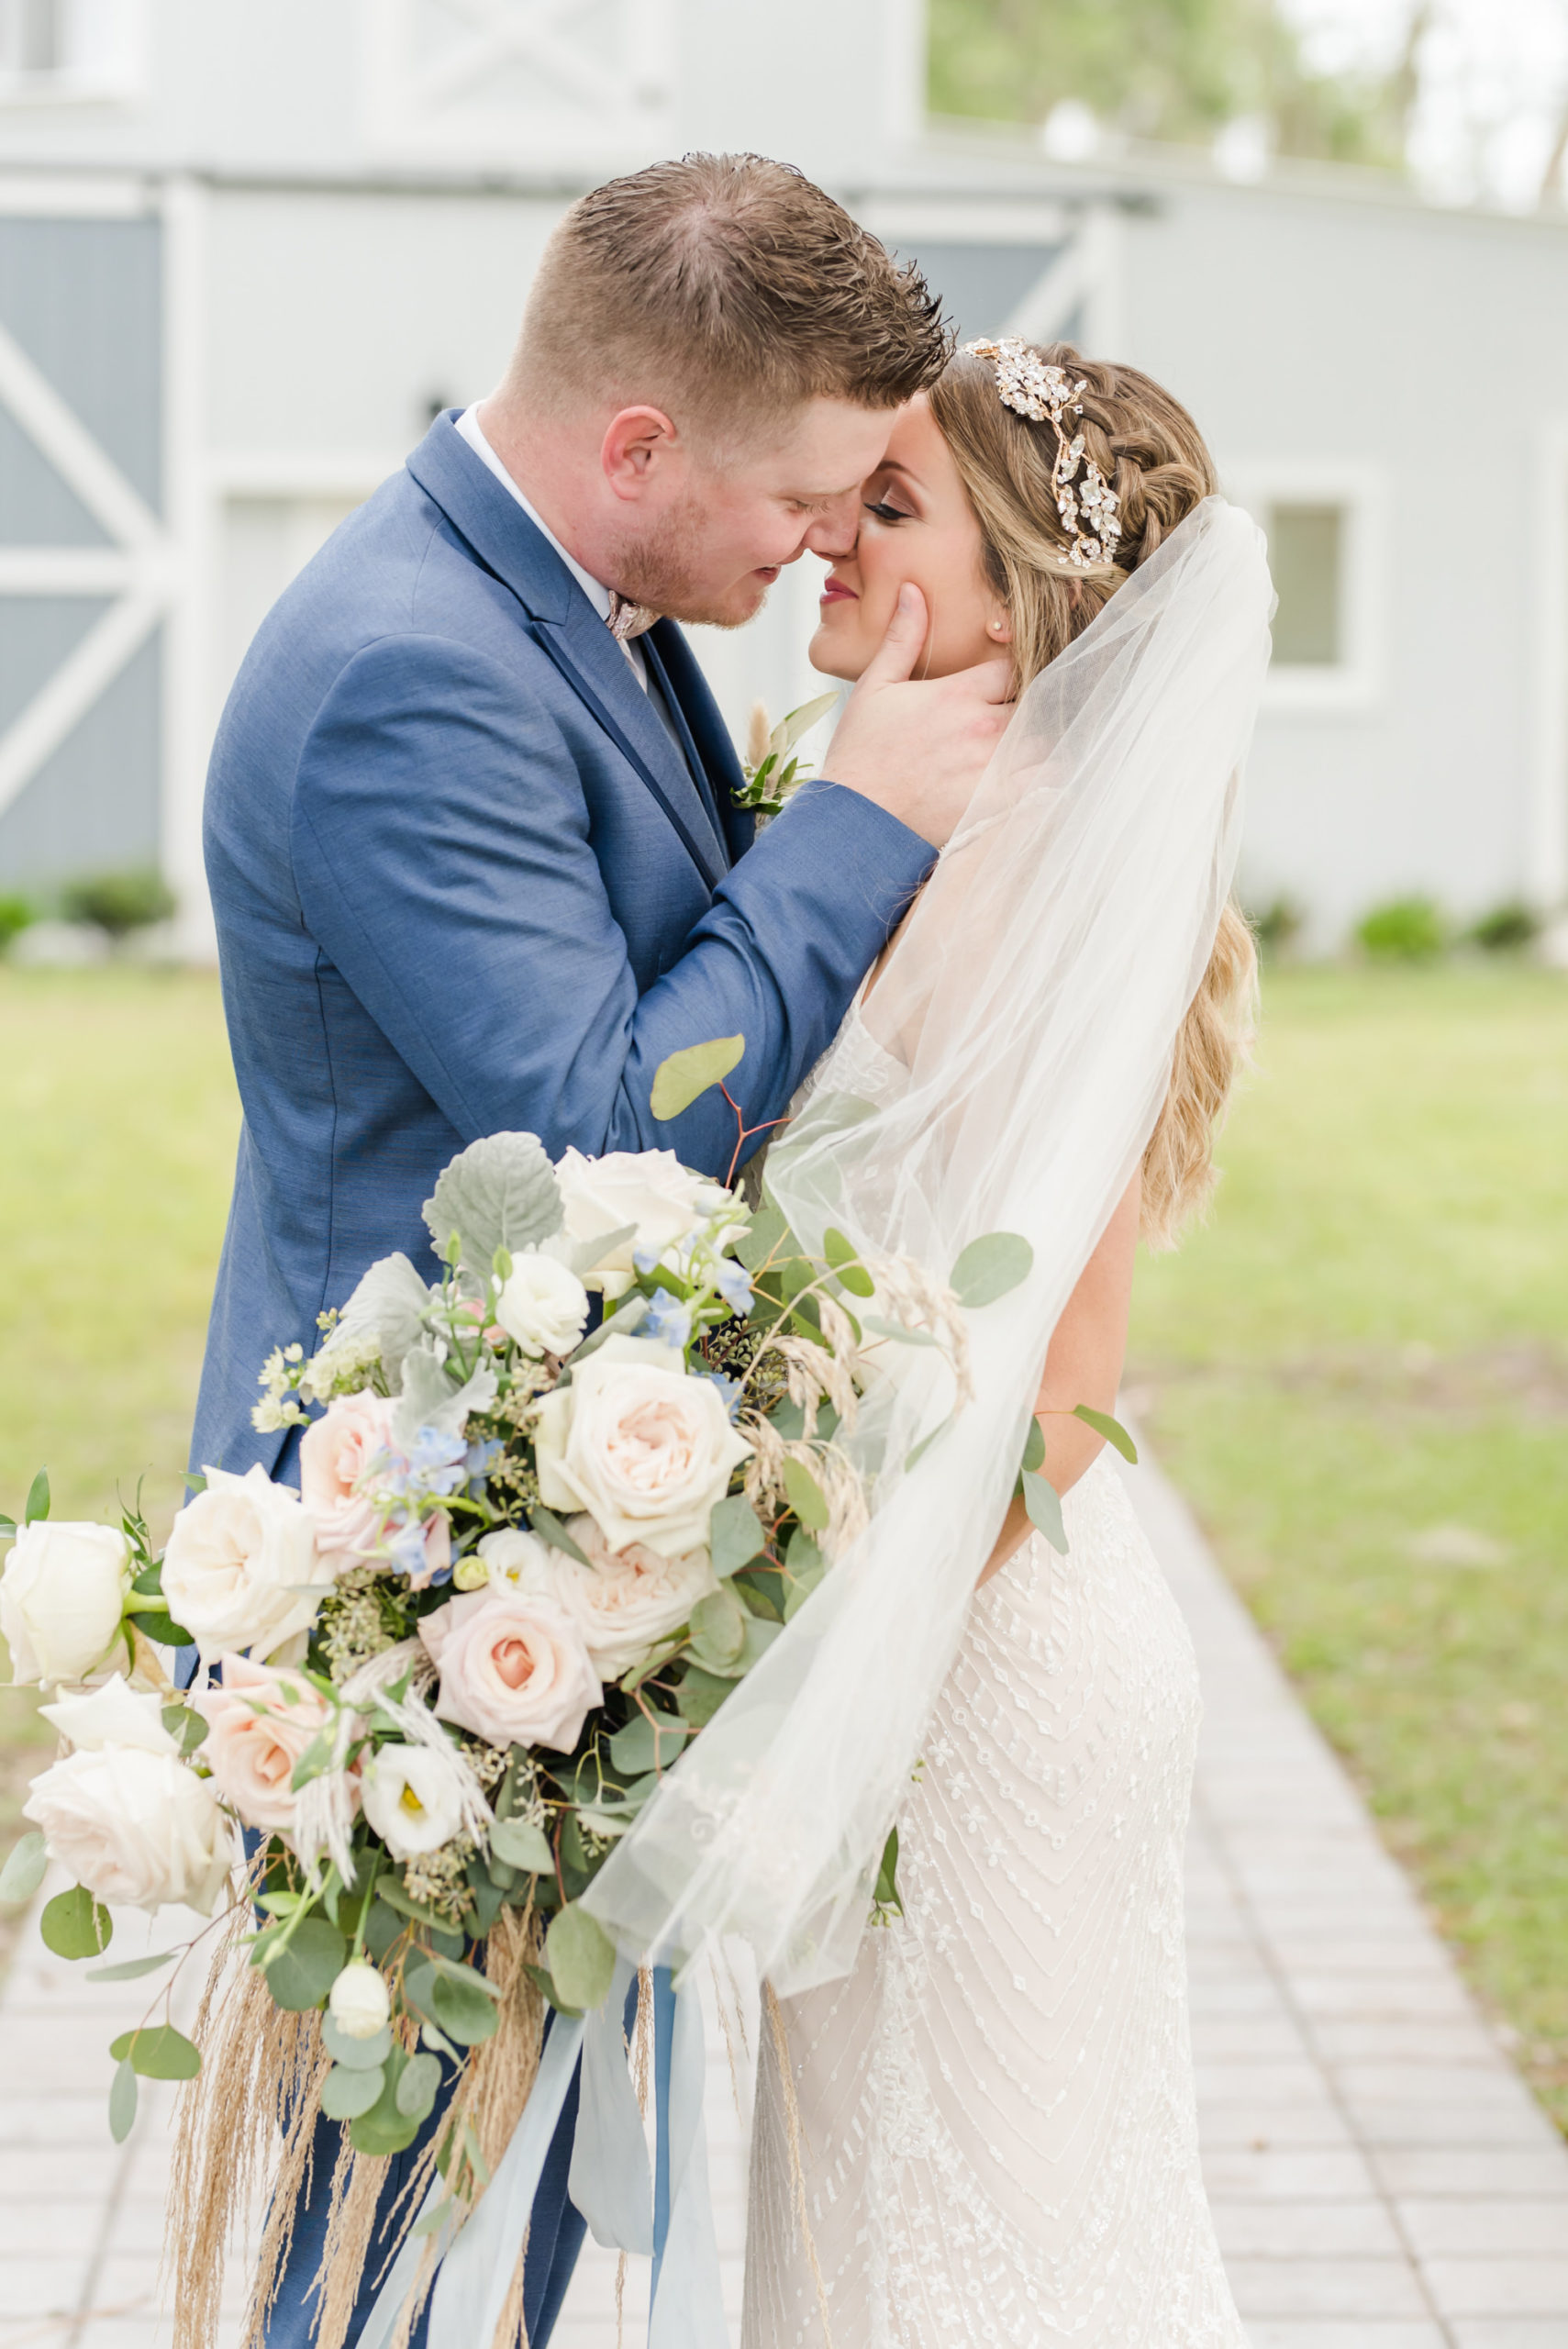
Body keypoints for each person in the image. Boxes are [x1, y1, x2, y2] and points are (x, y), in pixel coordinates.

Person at [191, 154, 1010, 2349]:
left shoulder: (574, 601)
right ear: (640, 443)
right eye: (814, 497)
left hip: (560, 1531)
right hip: (429, 1577)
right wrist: (867, 819)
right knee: (401, 2234)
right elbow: (588, 1130)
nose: (827, 546)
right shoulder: (409, 671)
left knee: (510, 2217)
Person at [723, 344, 1262, 2343]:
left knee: (1011, 2244)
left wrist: (810, 1697)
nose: (824, 544)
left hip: (983, 1650)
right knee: (886, 2226)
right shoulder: (924, 820)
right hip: (918, 1629)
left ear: (1020, 583)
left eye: (887, 510)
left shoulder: (1036, 858)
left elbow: (1058, 1385)